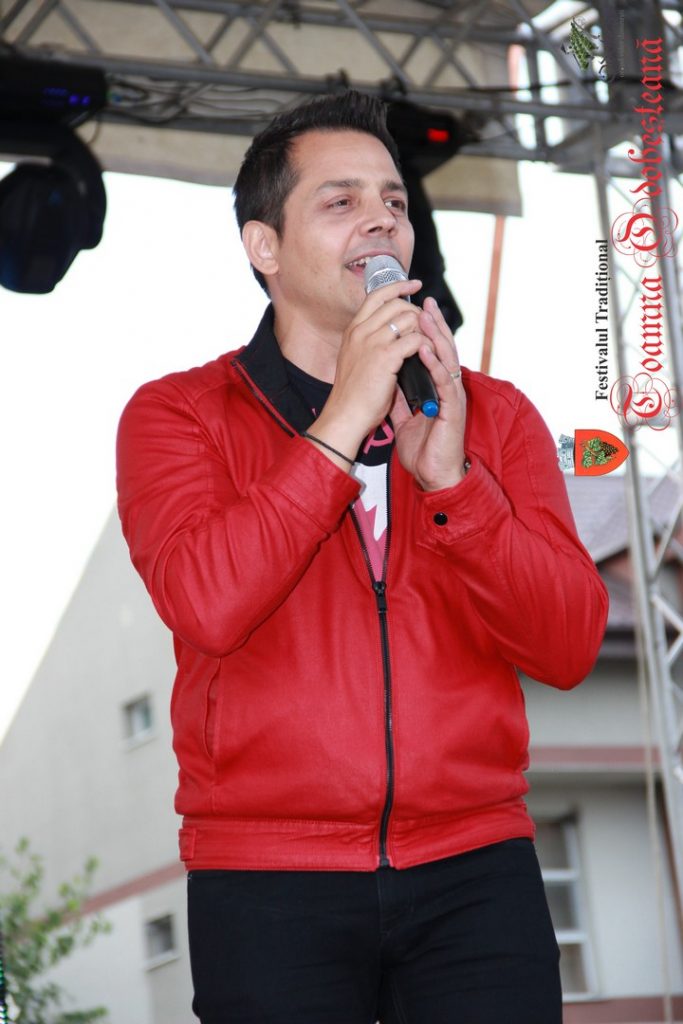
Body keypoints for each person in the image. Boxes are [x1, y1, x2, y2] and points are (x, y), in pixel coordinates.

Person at [116, 90, 609, 1024]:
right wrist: (341, 420)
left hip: (476, 867)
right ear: (264, 246)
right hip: (266, 875)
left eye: (393, 201)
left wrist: (456, 484)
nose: (381, 219)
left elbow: (569, 644)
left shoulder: (493, 416)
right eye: (340, 201)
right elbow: (207, 601)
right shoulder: (178, 414)